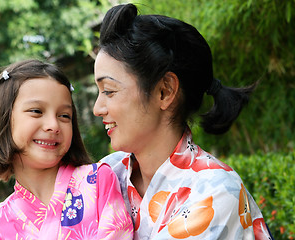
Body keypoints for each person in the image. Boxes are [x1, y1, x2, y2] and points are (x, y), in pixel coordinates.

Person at [93, 3, 273, 240]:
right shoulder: (109, 172)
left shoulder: (215, 190)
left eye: (109, 91)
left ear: (165, 92)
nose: (97, 109)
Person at [0, 59, 133, 239]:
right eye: (36, 111)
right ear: (2, 119)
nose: (53, 125)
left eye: (64, 116)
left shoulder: (98, 181)